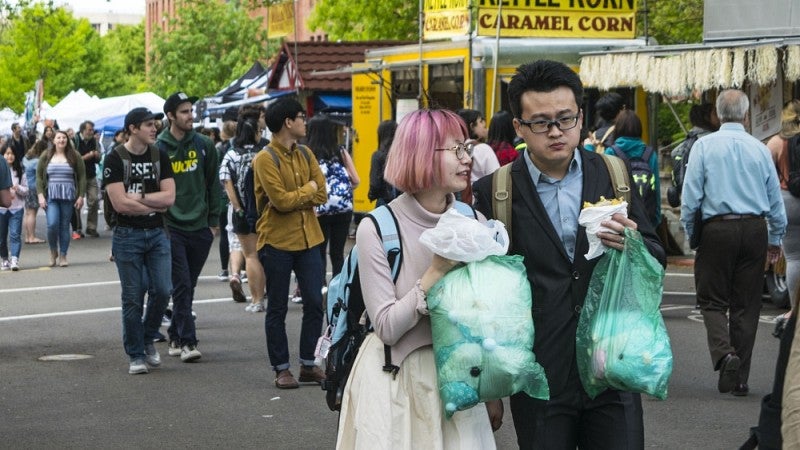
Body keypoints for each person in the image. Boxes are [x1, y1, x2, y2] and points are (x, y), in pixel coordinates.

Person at [472, 60, 665, 449]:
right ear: (519, 127)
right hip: (539, 375)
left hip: (613, 363)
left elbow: (656, 255)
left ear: (581, 116)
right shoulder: (494, 191)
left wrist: (635, 247)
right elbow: (481, 294)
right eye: (541, 122)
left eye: (566, 118)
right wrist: (488, 384)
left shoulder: (614, 174)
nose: (557, 132)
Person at [336, 109, 500, 448]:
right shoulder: (378, 228)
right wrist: (436, 271)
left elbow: (485, 318)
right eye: (455, 149)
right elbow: (386, 326)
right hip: (397, 381)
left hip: (461, 378)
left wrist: (492, 388)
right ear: (421, 155)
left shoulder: (475, 220)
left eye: (466, 147)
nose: (467, 158)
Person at [681, 89, 786, 397]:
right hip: (755, 228)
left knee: (711, 299)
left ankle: (725, 354)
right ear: (746, 115)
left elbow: (691, 197)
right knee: (747, 303)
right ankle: (740, 378)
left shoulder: (703, 146)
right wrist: (776, 238)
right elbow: (774, 200)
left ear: (717, 113)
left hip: (717, 228)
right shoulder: (759, 148)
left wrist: (692, 233)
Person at [252, 97, 327, 388]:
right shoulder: (264, 158)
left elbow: (322, 194)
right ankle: (281, 368)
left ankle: (309, 364)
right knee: (278, 307)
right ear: (288, 122)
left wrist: (304, 192)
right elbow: (280, 202)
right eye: (301, 117)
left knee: (314, 302)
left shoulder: (306, 154)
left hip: (310, 238)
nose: (304, 122)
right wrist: (307, 190)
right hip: (277, 242)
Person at [104, 107, 175, 375]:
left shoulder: (159, 155)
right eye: (148, 124)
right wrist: (151, 203)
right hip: (127, 235)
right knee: (133, 297)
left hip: (157, 232)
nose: (154, 128)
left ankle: (147, 337)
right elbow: (120, 205)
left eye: (154, 124)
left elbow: (169, 199)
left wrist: (139, 200)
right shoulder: (115, 158)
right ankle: (136, 354)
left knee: (163, 289)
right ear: (133, 128)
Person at [157, 92, 222, 362]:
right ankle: (187, 341)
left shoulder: (205, 144)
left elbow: (213, 185)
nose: (190, 116)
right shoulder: (159, 148)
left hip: (201, 227)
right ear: (171, 116)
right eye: (184, 111)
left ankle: (174, 331)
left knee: (188, 285)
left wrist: (213, 222)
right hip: (171, 226)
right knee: (182, 283)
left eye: (191, 110)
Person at [219, 104, 268, 312]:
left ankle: (256, 300)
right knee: (267, 255)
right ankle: (269, 294)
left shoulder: (231, 154)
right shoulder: (265, 152)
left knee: (251, 256)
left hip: (242, 213)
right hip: (266, 211)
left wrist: (238, 207)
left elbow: (226, 181)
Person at [307, 114, 359, 283]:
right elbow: (356, 181)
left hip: (318, 210)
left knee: (319, 251)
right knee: (337, 253)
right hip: (343, 209)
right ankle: (338, 292)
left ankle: (320, 288)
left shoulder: (308, 154)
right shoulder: (341, 151)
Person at [603, 110, 661, 228]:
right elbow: (656, 190)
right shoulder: (650, 154)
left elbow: (604, 187)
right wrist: (656, 220)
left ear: (617, 129)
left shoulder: (611, 152)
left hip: (618, 221)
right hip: (646, 219)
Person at [37, 130, 86, 267]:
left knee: (64, 226)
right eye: (58, 137)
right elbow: (39, 177)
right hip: (51, 195)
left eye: (64, 137)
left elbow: (82, 176)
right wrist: (40, 195)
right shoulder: (46, 155)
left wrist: (81, 196)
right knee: (52, 224)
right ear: (54, 140)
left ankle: (63, 255)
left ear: (67, 140)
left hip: (68, 195)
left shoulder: (74, 155)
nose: (61, 140)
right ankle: (53, 252)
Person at [23, 126, 52, 244]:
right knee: (32, 213)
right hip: (35, 188)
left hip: (27, 187)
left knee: (28, 213)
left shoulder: (27, 158)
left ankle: (27, 237)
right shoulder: (37, 162)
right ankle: (32, 237)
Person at [0, 146, 27, 270]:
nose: (9, 156)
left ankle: (15, 259)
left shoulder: (20, 171)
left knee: (15, 235)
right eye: (6, 153)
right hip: (2, 209)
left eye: (12, 153)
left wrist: (18, 188)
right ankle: (4, 259)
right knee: (1, 237)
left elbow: (27, 190)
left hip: (17, 208)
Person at [73, 120, 102, 238]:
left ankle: (91, 227)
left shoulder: (94, 141)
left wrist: (97, 156)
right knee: (77, 203)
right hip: (77, 176)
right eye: (89, 130)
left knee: (94, 200)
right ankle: (78, 228)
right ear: (82, 130)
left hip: (91, 175)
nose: (92, 132)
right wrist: (87, 156)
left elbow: (99, 158)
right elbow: (73, 159)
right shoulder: (74, 141)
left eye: (92, 130)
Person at [455, 109, 500, 183]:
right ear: (472, 126)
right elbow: (497, 178)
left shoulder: (454, 149)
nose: (484, 124)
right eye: (480, 121)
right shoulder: (483, 149)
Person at [368, 120, 399, 207]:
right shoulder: (403, 155)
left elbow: (375, 183)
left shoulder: (378, 156)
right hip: (403, 202)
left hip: (385, 201)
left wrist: (371, 195)